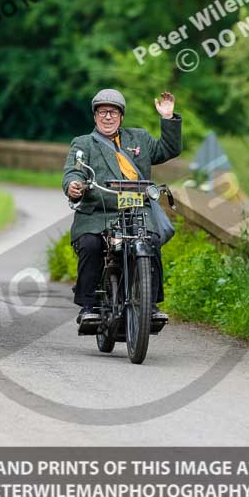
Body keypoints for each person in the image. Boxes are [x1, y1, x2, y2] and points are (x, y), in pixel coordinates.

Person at [62, 89, 182, 324]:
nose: (108, 117)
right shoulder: (83, 144)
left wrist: (167, 118)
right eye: (103, 112)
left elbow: (169, 149)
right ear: (95, 116)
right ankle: (88, 306)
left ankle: (151, 304)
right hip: (98, 212)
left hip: (137, 211)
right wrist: (73, 185)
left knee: (151, 241)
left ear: (121, 116)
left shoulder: (139, 139)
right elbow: (73, 171)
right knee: (90, 244)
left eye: (113, 112)